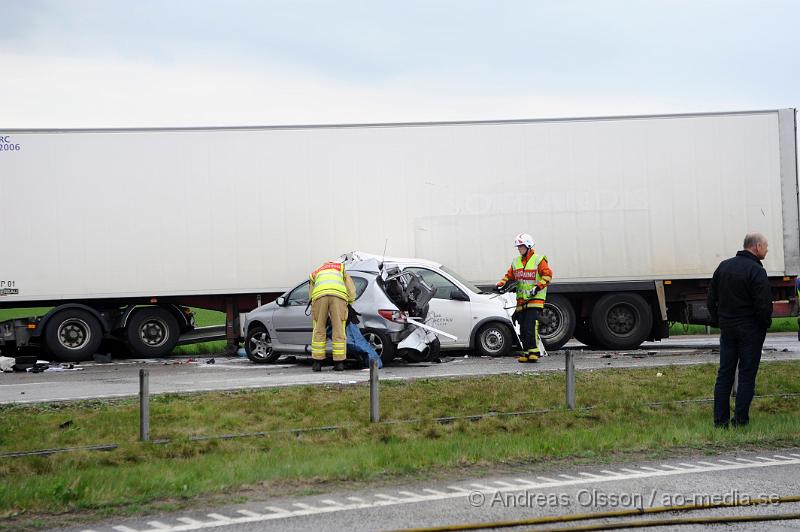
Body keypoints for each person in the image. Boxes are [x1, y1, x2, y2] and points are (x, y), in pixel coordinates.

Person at [707, 232, 772, 427]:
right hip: (750, 329)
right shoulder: (757, 271)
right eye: (766, 246)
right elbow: (763, 305)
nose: (767, 250)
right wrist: (764, 324)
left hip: (728, 328)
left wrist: (718, 320)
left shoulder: (724, 267)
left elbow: (711, 298)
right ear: (757, 247)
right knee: (746, 374)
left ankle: (720, 421)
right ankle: (740, 420)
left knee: (724, 373)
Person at [496, 233, 553, 362]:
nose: (519, 248)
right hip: (521, 301)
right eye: (518, 246)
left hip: (535, 300)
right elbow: (509, 276)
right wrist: (500, 284)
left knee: (530, 326)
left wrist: (537, 287)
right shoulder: (516, 262)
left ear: (528, 245)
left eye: (521, 246)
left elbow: (548, 276)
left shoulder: (539, 260)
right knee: (522, 328)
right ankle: (527, 353)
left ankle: (534, 352)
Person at [309, 259, 356, 372]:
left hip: (319, 296)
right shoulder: (341, 268)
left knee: (319, 329)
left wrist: (313, 303)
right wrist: (350, 301)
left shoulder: (316, 272)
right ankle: (339, 363)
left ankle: (317, 363)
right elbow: (351, 288)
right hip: (338, 297)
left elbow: (311, 293)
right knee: (339, 329)